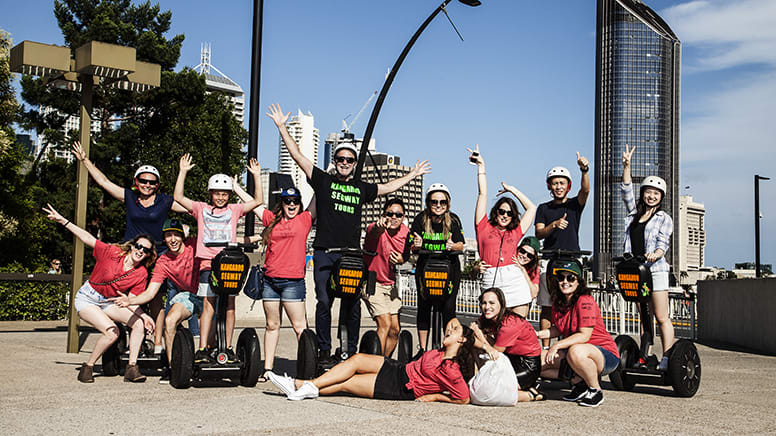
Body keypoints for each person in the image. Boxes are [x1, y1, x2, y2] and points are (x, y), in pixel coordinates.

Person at [266, 103, 430, 363]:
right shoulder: (323, 181)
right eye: (340, 159)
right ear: (334, 161)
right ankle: (322, 350)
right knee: (323, 302)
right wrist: (281, 127)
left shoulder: (361, 188)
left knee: (352, 304)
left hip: (351, 256)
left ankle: (349, 351)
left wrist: (413, 174)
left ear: (354, 164)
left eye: (349, 160)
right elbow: (298, 156)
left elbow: (387, 188)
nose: (344, 163)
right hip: (324, 253)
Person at [71, 141, 192, 351]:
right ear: (137, 182)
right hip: (131, 255)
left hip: (156, 256)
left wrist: (222, 211)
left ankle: (157, 344)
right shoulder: (130, 197)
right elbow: (104, 182)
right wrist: (84, 160)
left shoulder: (165, 201)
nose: (147, 185)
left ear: (157, 185)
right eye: (143, 181)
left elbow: (193, 208)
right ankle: (130, 337)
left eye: (152, 182)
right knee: (125, 299)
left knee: (155, 300)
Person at [42, 203, 156, 383]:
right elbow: (87, 238)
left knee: (139, 324)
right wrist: (63, 221)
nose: (141, 251)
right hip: (88, 298)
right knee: (112, 332)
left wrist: (144, 316)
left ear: (149, 255)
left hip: (109, 302)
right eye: (139, 246)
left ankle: (132, 368)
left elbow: (132, 300)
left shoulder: (141, 273)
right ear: (132, 246)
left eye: (146, 250)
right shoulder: (112, 252)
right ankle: (87, 367)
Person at [173, 154, 262, 364]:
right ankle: (203, 348)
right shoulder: (201, 209)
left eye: (224, 194)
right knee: (208, 304)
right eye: (217, 194)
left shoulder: (234, 210)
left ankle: (228, 347)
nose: (221, 197)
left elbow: (258, 201)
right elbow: (178, 197)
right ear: (211, 194)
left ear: (229, 195)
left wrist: (256, 176)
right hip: (207, 263)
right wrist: (183, 172)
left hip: (229, 263)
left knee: (229, 304)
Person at [267, 318, 474, 403]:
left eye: (455, 330)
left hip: (400, 387)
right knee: (356, 360)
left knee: (347, 384)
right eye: (451, 326)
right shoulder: (439, 352)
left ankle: (298, 385)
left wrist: (435, 397)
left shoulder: (451, 370)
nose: (449, 329)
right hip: (398, 369)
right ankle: (305, 385)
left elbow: (463, 398)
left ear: (462, 340)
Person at [235, 180, 313, 382]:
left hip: (293, 282)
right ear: (282, 203)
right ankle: (268, 369)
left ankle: (306, 370)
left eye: (295, 201)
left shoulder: (305, 219)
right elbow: (253, 205)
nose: (292, 204)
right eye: (288, 201)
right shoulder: (272, 220)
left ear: (299, 203)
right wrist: (236, 188)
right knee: (271, 325)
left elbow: (318, 197)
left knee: (299, 327)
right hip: (270, 281)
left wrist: (327, 176)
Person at [110, 219, 200, 383]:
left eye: (176, 235)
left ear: (183, 237)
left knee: (212, 332)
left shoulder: (194, 245)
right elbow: (151, 292)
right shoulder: (163, 261)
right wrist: (130, 301)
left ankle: (207, 355)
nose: (172, 239)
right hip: (189, 295)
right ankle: (174, 368)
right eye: (168, 236)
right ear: (164, 239)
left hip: (209, 293)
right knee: (170, 320)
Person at [536, 260, 619, 408]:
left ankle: (595, 390)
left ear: (579, 281)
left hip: (603, 353)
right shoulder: (559, 302)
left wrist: (556, 346)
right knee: (537, 361)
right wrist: (536, 334)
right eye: (561, 278)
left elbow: (584, 335)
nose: (565, 282)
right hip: (574, 352)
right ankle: (578, 382)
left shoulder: (585, 301)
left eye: (571, 278)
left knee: (576, 351)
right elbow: (559, 328)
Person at [622, 145, 675, 370]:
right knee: (644, 317)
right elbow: (626, 191)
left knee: (661, 316)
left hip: (656, 270)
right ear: (643, 193)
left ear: (660, 197)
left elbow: (663, 242)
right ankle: (645, 356)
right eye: (648, 192)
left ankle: (667, 357)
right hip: (637, 270)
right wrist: (626, 166)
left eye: (656, 193)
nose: (651, 196)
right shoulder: (634, 215)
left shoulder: (664, 217)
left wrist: (656, 254)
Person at [469, 145, 537, 316]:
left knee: (517, 327)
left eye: (509, 213)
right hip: (491, 277)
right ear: (496, 212)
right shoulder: (483, 226)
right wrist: (481, 167)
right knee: (493, 327)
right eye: (502, 211)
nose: (505, 215)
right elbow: (482, 194)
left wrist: (512, 190)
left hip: (513, 279)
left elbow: (531, 208)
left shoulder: (515, 232)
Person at [534, 153, 590, 348]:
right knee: (548, 307)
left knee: (572, 305)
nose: (558, 186)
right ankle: (545, 348)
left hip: (572, 259)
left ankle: (569, 346)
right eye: (555, 183)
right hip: (550, 259)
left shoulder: (574, 205)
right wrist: (554, 226)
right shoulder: (543, 208)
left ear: (568, 186)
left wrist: (584, 170)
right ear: (549, 185)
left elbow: (586, 191)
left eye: (562, 183)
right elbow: (539, 233)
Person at [404, 183, 465, 353]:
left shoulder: (453, 220)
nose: (438, 205)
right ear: (428, 203)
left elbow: (461, 245)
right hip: (426, 268)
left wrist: (452, 246)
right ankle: (422, 349)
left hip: (449, 268)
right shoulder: (420, 219)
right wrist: (416, 245)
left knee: (448, 308)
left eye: (442, 202)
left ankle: (448, 350)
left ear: (448, 203)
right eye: (434, 202)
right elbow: (410, 245)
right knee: (424, 306)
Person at [470, 287, 544, 402]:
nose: (487, 307)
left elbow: (494, 353)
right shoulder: (490, 316)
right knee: (474, 340)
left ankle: (530, 394)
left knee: (489, 390)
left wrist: (479, 335)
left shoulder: (509, 324)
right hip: (510, 358)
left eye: (492, 303)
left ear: (501, 304)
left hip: (527, 366)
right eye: (484, 303)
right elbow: (474, 328)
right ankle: (477, 376)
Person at [362, 198, 410, 357]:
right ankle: (376, 366)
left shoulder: (405, 233)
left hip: (390, 285)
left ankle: (384, 361)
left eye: (398, 214)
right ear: (384, 215)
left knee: (395, 329)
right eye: (390, 214)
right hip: (372, 282)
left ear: (403, 217)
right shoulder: (375, 229)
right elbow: (373, 231)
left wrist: (403, 259)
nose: (394, 217)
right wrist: (379, 226)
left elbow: (409, 255)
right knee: (385, 324)